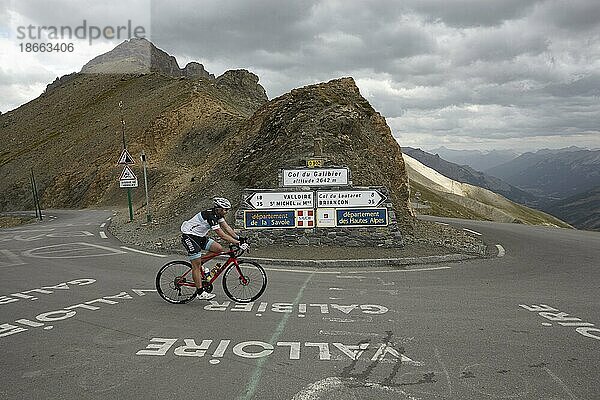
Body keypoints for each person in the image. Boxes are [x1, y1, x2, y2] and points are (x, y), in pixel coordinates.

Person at [180, 197, 249, 300]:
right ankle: (200, 292)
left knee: (218, 248)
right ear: (218, 208)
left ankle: (200, 265)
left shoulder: (218, 215)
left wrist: (239, 238)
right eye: (225, 209)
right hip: (189, 236)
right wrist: (238, 243)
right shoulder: (211, 216)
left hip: (199, 236)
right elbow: (222, 235)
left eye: (227, 209)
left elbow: (227, 228)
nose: (226, 211)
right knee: (196, 265)